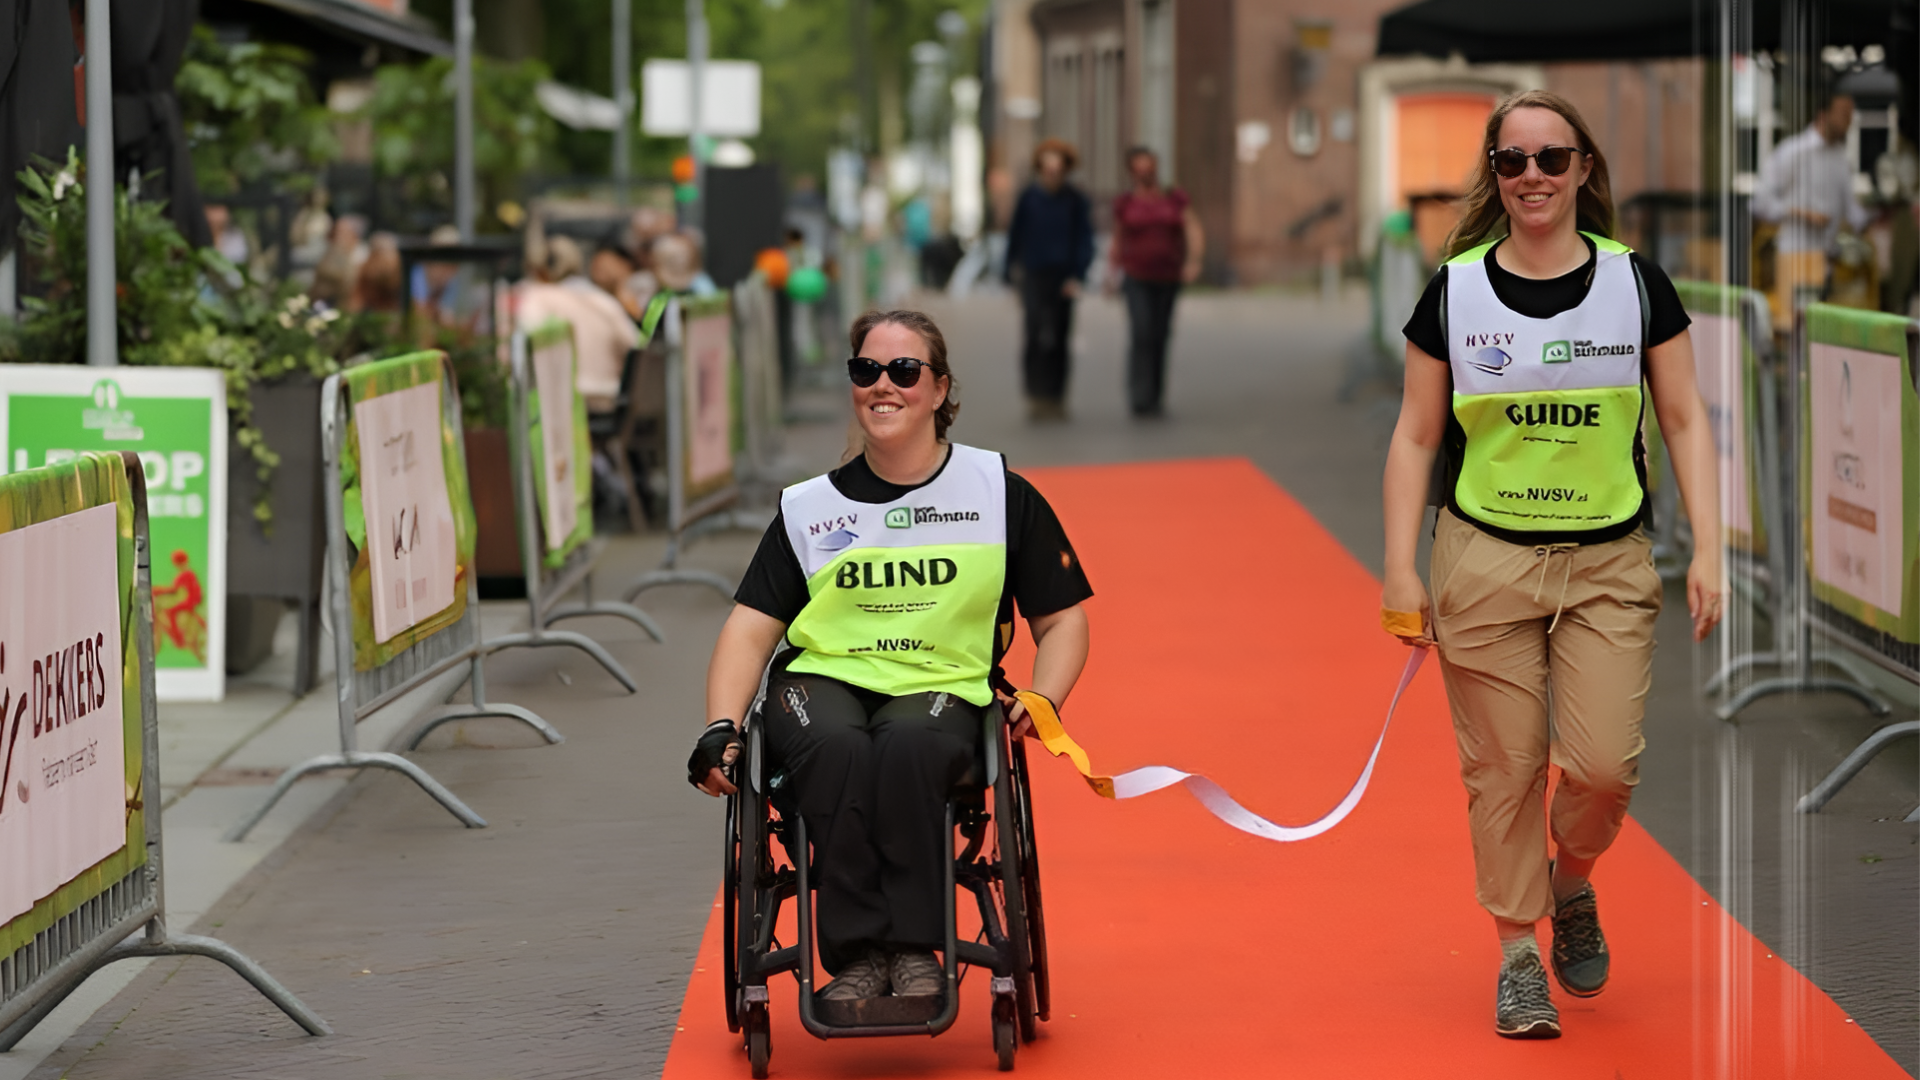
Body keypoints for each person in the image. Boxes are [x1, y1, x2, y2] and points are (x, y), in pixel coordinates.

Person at [1382, 90, 1722, 1040]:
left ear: (1582, 170)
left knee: (1606, 767)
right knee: (1505, 769)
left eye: (1551, 158)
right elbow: (1414, 437)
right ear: (1494, 174)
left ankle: (1571, 884)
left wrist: (1715, 551)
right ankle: (1518, 955)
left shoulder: (1636, 283)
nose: (1532, 175)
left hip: (1609, 558)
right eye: (1512, 160)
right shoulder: (1452, 292)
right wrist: (1399, 568)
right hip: (1483, 555)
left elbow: (1687, 419)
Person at [688, 309, 1092, 1014]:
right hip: (823, 681)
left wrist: (1043, 698)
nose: (884, 385)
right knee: (838, 747)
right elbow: (749, 630)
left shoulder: (999, 494)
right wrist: (719, 728)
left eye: (904, 371)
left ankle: (912, 949)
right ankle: (856, 959)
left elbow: (1063, 621)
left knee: (906, 745)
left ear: (939, 390)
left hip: (941, 684)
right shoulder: (807, 510)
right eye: (865, 370)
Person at [1754, 89, 1869, 331]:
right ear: (1823, 114)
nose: (1849, 121)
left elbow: (1854, 213)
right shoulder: (1792, 152)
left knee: (1822, 335)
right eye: (1844, 113)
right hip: (1796, 257)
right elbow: (1760, 202)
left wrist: (1882, 216)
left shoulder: (1840, 158)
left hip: (1828, 261)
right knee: (1796, 331)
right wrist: (1803, 213)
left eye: (1851, 114)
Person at [1108, 146, 1204, 417]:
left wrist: (1193, 260)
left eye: (1148, 168)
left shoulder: (1174, 198)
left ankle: (1155, 397)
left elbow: (1192, 228)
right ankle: (1139, 396)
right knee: (1141, 332)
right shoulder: (1126, 202)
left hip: (1167, 276)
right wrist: (1111, 273)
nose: (1144, 174)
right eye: (1138, 170)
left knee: (1160, 334)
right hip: (1136, 276)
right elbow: (1118, 237)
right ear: (1131, 172)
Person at [1004, 139, 1093, 421]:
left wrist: (1078, 275)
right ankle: (1035, 395)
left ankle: (1056, 397)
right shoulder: (1029, 198)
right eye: (1048, 162)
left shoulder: (1075, 200)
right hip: (1034, 274)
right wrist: (1008, 269)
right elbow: (1015, 235)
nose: (1053, 169)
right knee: (1034, 332)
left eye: (1058, 163)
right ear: (1040, 166)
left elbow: (1084, 240)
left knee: (1059, 335)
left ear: (1065, 168)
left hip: (1064, 277)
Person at [516, 235, 639, 412]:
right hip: (605, 397)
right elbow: (633, 344)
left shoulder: (536, 297)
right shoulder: (604, 302)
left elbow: (524, 341)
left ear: (538, 269)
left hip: (556, 401)